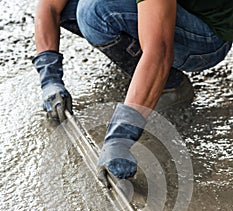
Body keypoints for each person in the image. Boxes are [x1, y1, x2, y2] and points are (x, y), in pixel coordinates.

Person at [33, 0, 233, 181]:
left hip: (209, 35)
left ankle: (169, 84)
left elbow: (160, 50)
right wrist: (49, 77)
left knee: (94, 11)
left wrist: (121, 135)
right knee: (72, 8)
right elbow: (49, 6)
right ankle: (137, 65)